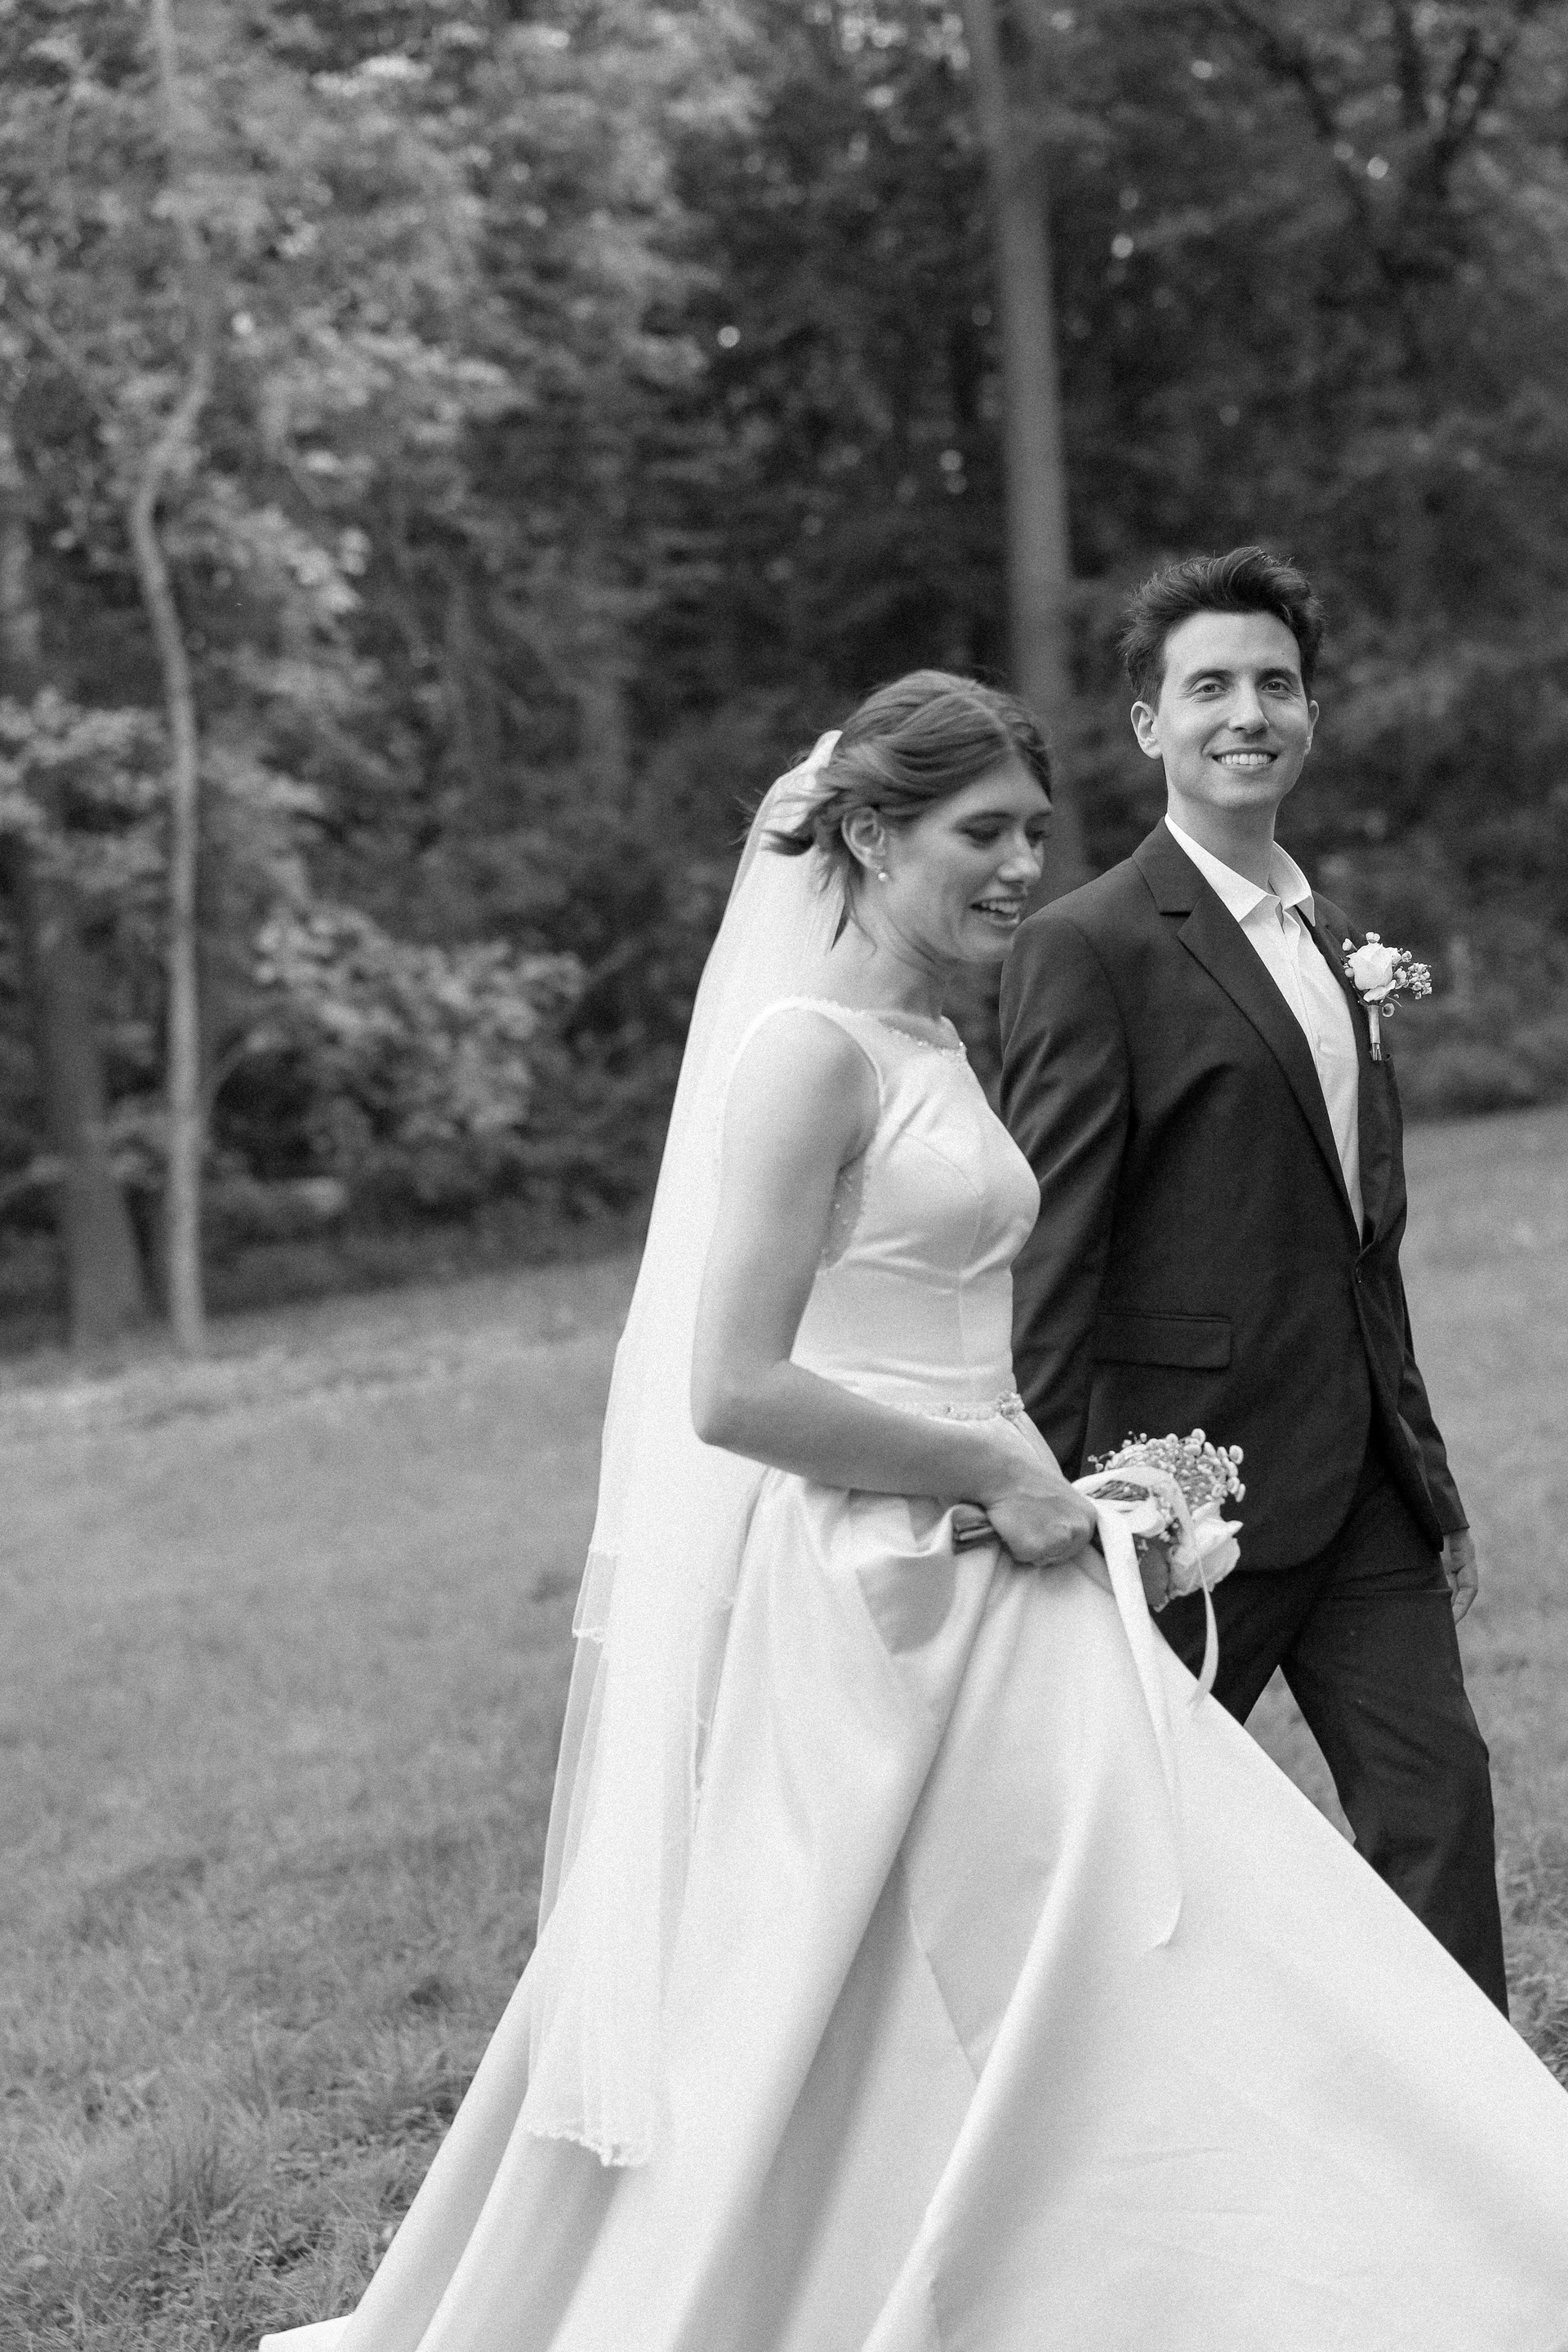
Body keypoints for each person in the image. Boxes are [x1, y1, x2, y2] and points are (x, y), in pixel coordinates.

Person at [263, 672, 1568, 2352]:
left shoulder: (935, 1037)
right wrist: (997, 1475)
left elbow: (957, 1327)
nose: (1023, 866)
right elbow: (734, 1389)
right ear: (873, 838)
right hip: (868, 1579)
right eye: (983, 834)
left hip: (1002, 1559)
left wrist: (1074, 1485)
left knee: (1165, 1911)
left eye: (1035, 832)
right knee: (885, 1970)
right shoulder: (804, 1058)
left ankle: (1295, 2246)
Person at [1000, 546, 1508, 2007]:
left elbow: (1363, 1245)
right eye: (1209, 685)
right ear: (1148, 723)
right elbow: (1054, 1247)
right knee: (1133, 1857)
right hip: (1180, 1492)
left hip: (1363, 1486)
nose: (1247, 713)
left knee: (1439, 1808)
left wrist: (1428, 1476)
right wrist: (1045, 1495)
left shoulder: (1338, 943)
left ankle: (1471, 2128)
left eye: (1275, 684)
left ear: (1311, 716)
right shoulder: (1088, 947)